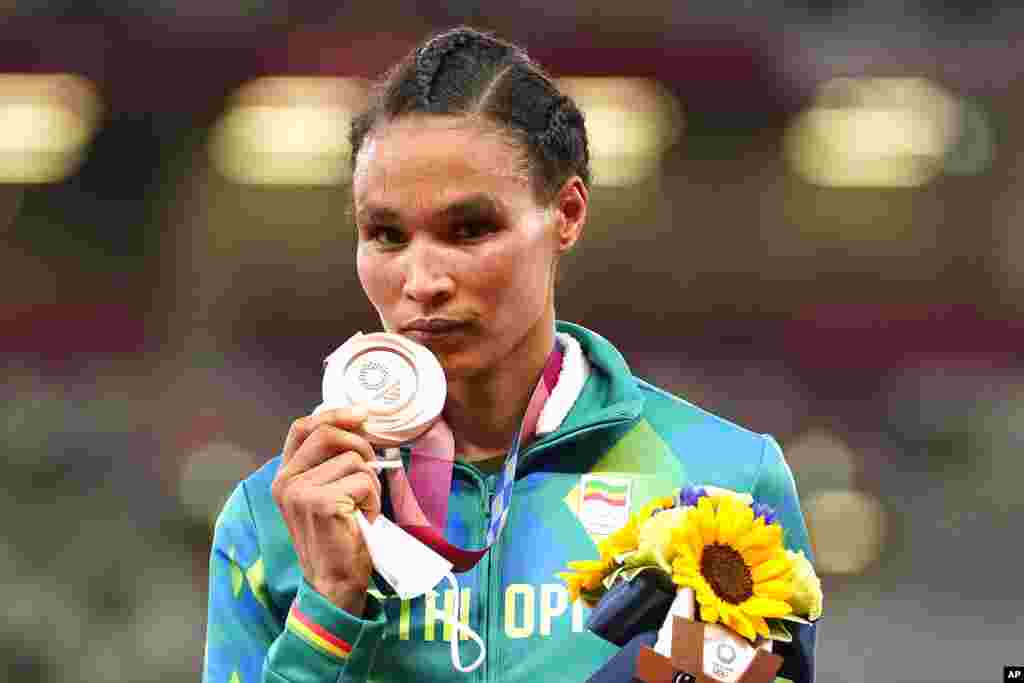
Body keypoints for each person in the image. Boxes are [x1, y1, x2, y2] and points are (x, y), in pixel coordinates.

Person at [202, 26, 816, 683]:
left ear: (568, 213)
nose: (422, 280)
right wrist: (326, 611)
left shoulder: (722, 487)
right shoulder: (275, 519)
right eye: (384, 234)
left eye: (470, 229)